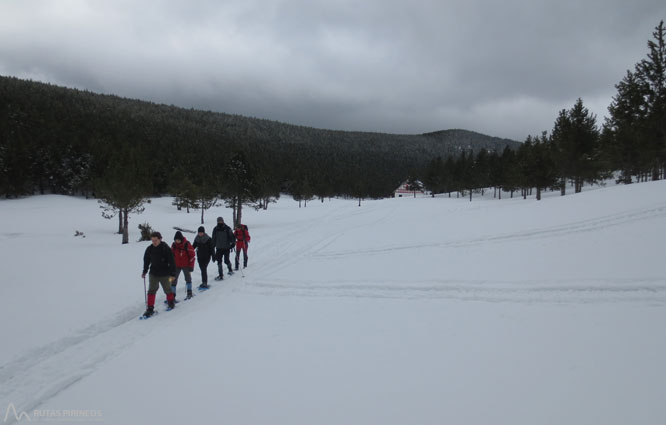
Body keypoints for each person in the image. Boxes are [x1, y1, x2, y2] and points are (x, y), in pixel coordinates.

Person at [141, 231, 176, 317]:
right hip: (154, 273)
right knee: (151, 290)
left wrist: (172, 273)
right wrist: (145, 271)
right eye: (152, 240)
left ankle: (171, 302)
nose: (154, 242)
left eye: (155, 240)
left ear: (160, 239)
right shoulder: (150, 249)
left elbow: (172, 261)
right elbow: (146, 260)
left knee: (167, 289)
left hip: (165, 273)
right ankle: (150, 308)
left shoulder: (165, 248)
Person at [172, 231, 196, 300]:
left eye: (178, 240)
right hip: (176, 265)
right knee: (173, 279)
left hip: (186, 265)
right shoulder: (174, 245)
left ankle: (189, 292)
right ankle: (172, 295)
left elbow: (192, 256)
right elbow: (171, 255)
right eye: (176, 240)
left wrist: (191, 266)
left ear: (181, 239)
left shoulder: (187, 244)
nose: (177, 241)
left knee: (188, 278)